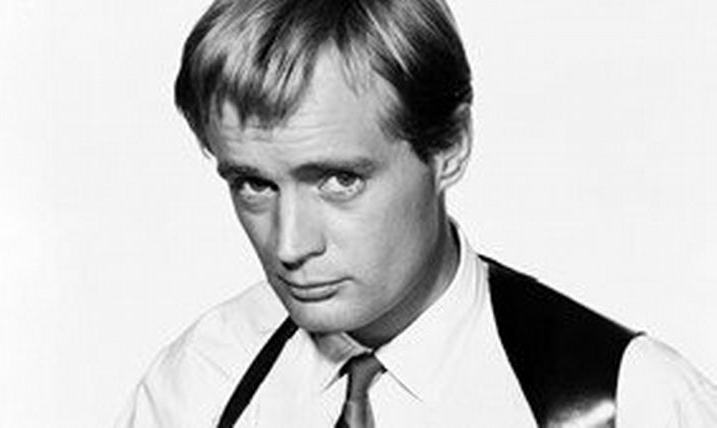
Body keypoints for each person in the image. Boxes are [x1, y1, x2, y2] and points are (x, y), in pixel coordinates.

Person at [117, 0, 717, 426]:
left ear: (449, 147)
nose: (290, 245)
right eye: (253, 185)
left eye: (340, 180)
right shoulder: (199, 382)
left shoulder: (629, 402)